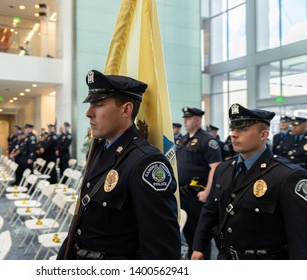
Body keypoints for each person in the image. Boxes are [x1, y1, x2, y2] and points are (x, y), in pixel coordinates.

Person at [57, 70, 181, 260]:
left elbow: (161, 250)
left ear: (126, 110)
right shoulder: (101, 149)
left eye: (98, 104)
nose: (89, 113)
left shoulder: (146, 163)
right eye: (91, 104)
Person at [192, 103, 307, 260]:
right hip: (226, 257)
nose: (234, 134)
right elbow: (210, 211)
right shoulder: (224, 169)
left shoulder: (287, 176)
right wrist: (199, 247)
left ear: (263, 135)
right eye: (233, 128)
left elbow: (300, 235)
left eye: (243, 129)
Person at [175, 107, 222, 259]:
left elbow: (215, 168)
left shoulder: (207, 140)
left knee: (199, 236)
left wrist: (207, 192)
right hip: (182, 195)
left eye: (188, 118)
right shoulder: (183, 139)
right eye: (184, 118)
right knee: (186, 233)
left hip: (197, 196)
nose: (185, 121)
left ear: (198, 120)